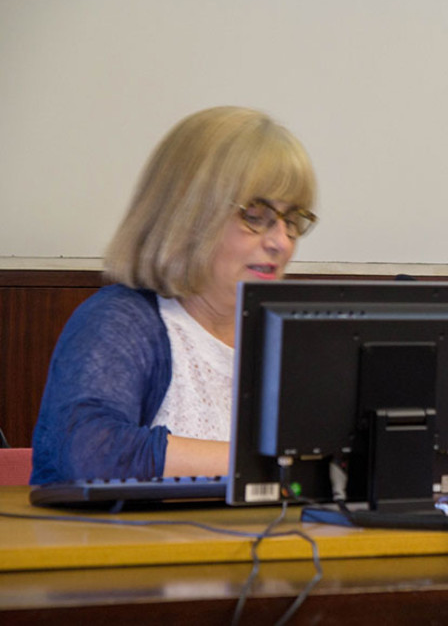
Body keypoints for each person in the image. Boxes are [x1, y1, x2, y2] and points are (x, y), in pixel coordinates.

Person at [30, 106, 318, 484]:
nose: (280, 242)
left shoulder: (291, 339)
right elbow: (89, 454)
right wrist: (272, 464)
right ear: (189, 213)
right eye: (256, 215)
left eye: (292, 219)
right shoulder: (121, 322)